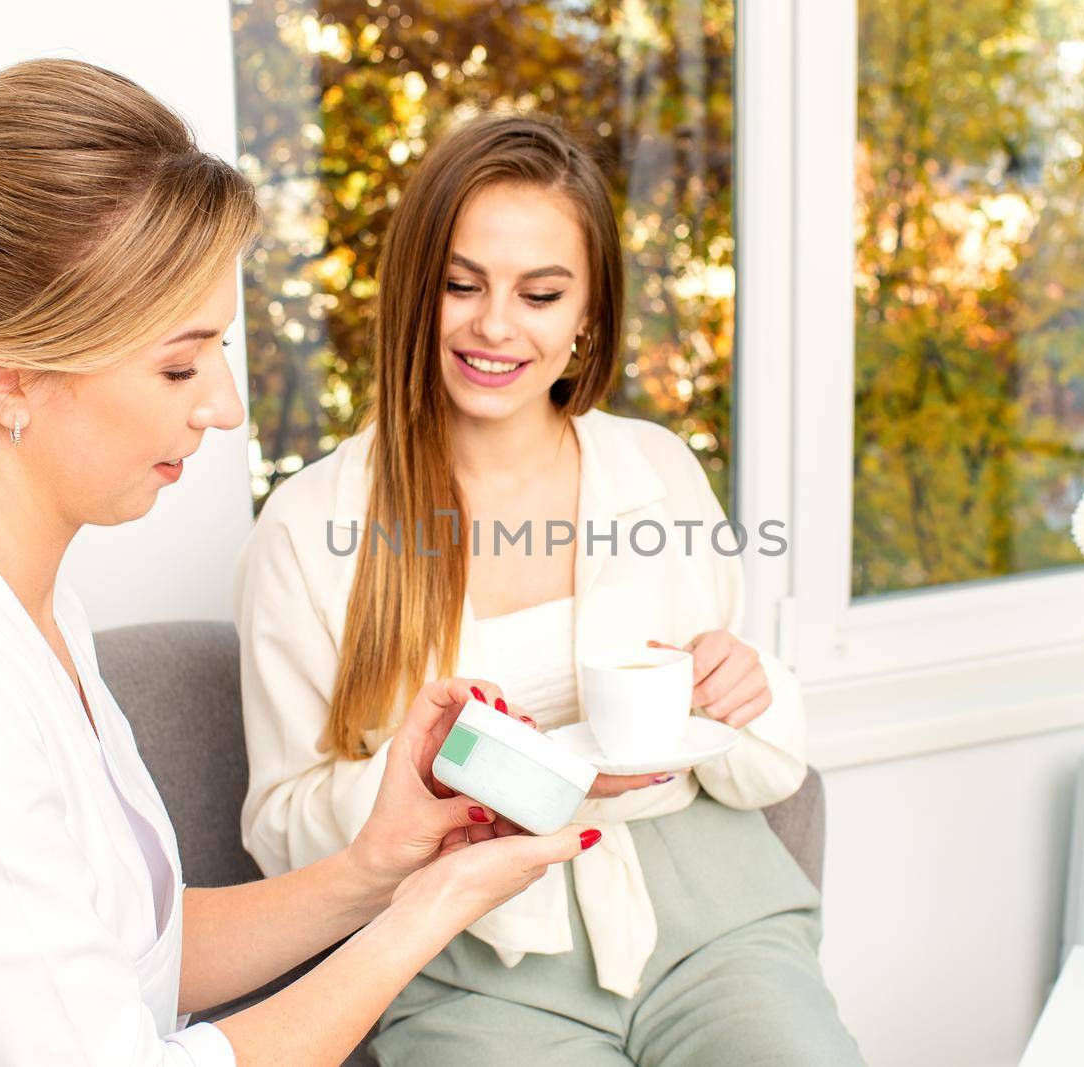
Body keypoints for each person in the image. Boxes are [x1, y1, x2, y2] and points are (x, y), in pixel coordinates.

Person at [0, 61, 598, 1067]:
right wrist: (429, 913)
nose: (223, 405)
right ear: (8, 374)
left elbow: (126, 959)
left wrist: (378, 868)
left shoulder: (19, 602)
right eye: (178, 361)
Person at [235, 112, 865, 1064]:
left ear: (588, 316)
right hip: (468, 955)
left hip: (714, 915)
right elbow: (281, 836)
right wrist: (469, 776)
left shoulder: (657, 469)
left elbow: (762, 766)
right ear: (416, 291)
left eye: (540, 293)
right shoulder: (310, 525)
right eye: (461, 284)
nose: (495, 324)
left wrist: (750, 689)